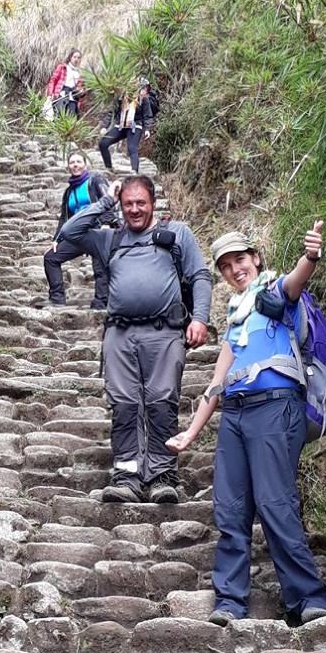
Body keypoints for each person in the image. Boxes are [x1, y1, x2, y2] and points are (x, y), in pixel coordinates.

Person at [167, 223, 326, 626]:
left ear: (256, 258)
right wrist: (192, 431)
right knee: (230, 508)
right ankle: (229, 600)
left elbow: (297, 280)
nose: (234, 270)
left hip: (276, 408)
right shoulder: (235, 318)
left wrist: (310, 255)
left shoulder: (274, 292)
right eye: (225, 266)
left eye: (240, 260)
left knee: (275, 503)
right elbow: (216, 383)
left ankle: (310, 599)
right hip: (236, 414)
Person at [95, 175, 211, 504]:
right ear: (120, 205)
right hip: (119, 333)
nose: (134, 209)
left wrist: (200, 318)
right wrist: (105, 201)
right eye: (127, 203)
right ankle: (127, 475)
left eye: (141, 203)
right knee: (124, 403)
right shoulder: (111, 238)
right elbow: (70, 233)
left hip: (165, 331)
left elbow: (200, 275)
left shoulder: (178, 234)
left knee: (162, 400)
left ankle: (162, 475)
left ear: (153, 204)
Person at [44, 151, 113, 307]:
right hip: (77, 235)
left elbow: (108, 200)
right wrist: (56, 240)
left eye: (78, 162)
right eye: (72, 162)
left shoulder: (95, 180)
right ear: (68, 166)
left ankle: (101, 302)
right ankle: (57, 299)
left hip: (97, 231)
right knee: (50, 257)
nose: (75, 165)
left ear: (85, 164)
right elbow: (64, 217)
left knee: (100, 267)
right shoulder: (69, 191)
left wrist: (106, 223)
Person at [98, 77, 158, 175]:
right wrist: (105, 126)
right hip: (121, 125)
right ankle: (108, 168)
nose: (145, 91)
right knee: (103, 143)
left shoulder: (144, 99)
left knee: (132, 148)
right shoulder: (121, 96)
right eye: (144, 88)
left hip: (135, 126)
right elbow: (112, 111)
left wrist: (147, 129)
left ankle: (134, 171)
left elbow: (147, 115)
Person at [44, 47, 84, 119]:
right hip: (61, 95)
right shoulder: (62, 67)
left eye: (78, 58)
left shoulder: (79, 73)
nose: (76, 59)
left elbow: (80, 89)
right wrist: (50, 94)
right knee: (58, 117)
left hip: (73, 98)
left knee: (70, 119)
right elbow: (53, 81)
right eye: (74, 57)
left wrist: (81, 91)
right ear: (70, 57)